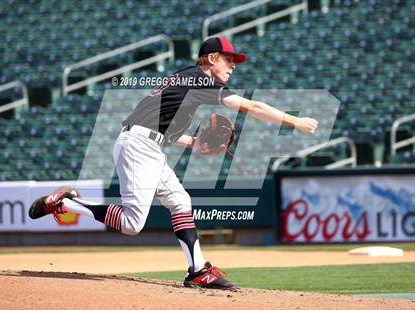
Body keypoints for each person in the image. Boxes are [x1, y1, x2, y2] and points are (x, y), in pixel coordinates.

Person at [29, 36, 318, 290]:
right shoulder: (199, 79)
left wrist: (195, 143)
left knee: (181, 201)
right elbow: (252, 106)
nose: (233, 66)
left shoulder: (185, 81)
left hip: (147, 145)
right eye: (229, 60)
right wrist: (294, 121)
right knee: (132, 223)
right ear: (212, 58)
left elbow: (156, 128)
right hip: (139, 146)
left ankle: (198, 271)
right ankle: (65, 203)